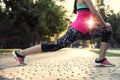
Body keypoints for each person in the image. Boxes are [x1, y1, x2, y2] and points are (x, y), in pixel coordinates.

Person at [12, 0, 115, 67]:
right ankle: (20, 53)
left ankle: (101, 59)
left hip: (84, 31)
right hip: (76, 31)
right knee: (55, 46)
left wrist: (101, 25)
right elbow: (95, 13)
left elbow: (87, 17)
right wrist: (104, 25)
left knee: (107, 30)